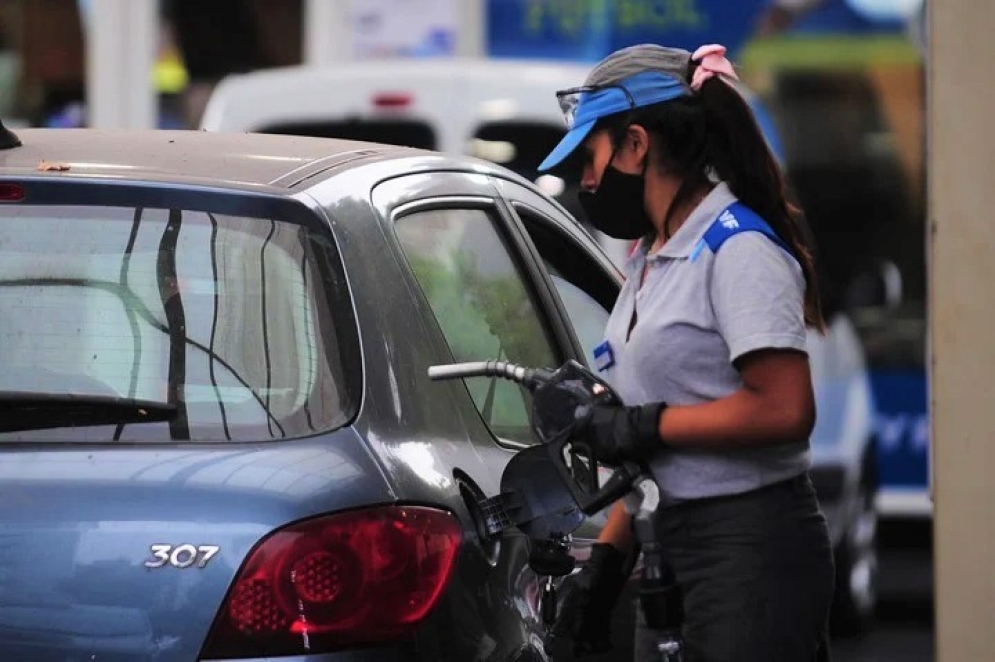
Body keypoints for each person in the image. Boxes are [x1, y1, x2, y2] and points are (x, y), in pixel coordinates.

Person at [539, 43, 835, 661]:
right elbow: (654, 453)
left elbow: (784, 409)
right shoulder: (650, 260)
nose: (586, 181)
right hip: (667, 546)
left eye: (590, 159)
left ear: (636, 144)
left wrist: (645, 425)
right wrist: (605, 568)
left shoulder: (738, 249)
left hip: (751, 550)